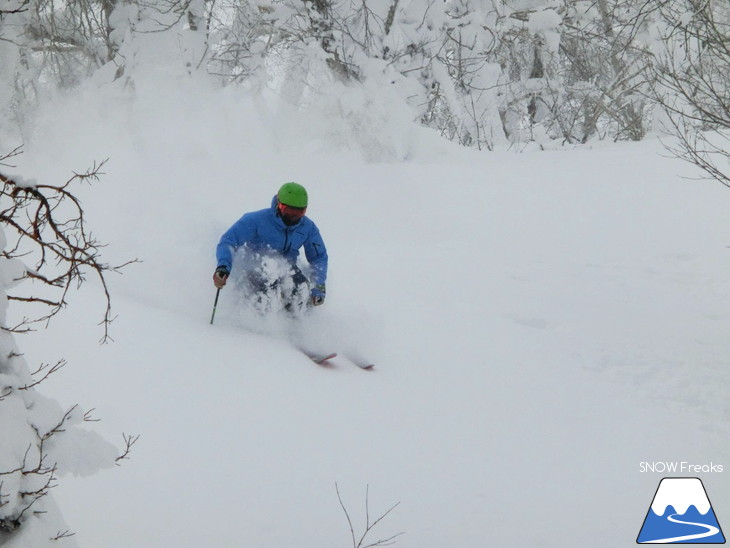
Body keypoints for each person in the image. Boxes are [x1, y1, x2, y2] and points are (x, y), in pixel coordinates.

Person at [213, 182, 328, 313]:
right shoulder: (256, 220)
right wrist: (223, 266)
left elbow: (318, 257)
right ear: (279, 205)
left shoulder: (307, 228)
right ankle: (257, 324)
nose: (293, 217)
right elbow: (229, 241)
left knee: (301, 290)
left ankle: (294, 326)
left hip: (287, 269)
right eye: (289, 211)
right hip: (256, 269)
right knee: (269, 289)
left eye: (299, 212)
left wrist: (318, 285)